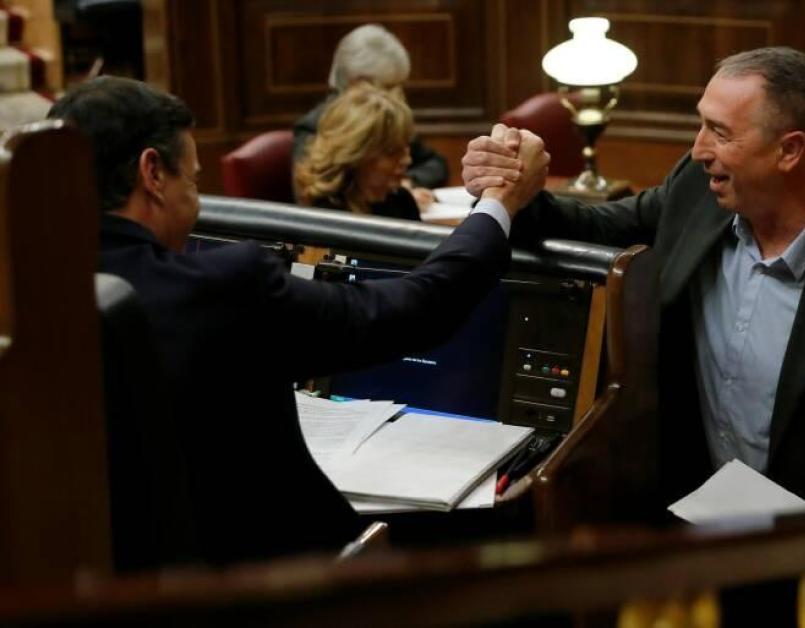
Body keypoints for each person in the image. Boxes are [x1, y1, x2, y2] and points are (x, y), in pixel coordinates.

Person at [463, 47, 805, 625]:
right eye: (700, 123)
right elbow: (603, 228)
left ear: (789, 150)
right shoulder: (697, 189)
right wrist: (513, 193)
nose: (698, 149)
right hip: (701, 549)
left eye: (719, 132)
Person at [49, 76, 548, 566]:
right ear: (152, 173)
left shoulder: (28, 298)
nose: (197, 202)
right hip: (289, 592)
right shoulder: (220, 289)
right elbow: (413, 309)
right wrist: (498, 205)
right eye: (194, 180)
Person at [293, 24, 448, 209]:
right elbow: (311, 196)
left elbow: (436, 164)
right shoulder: (314, 127)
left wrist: (405, 181)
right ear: (356, 83)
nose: (398, 98)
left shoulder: (390, 122)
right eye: (389, 88)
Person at [294, 82, 419, 220]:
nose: (407, 160)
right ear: (356, 157)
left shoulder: (402, 202)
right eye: (391, 152)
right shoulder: (325, 217)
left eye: (406, 148)